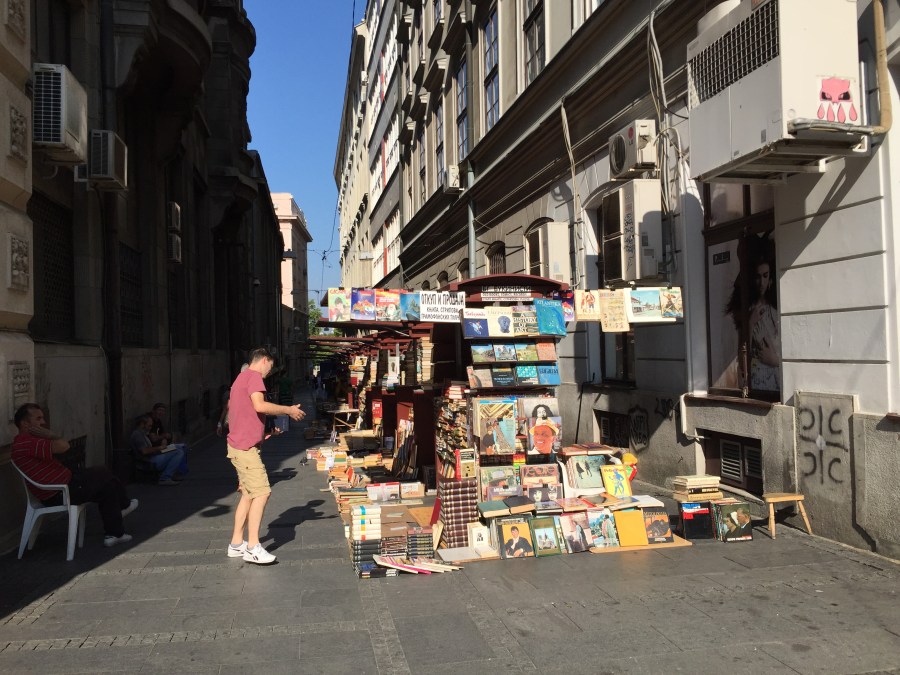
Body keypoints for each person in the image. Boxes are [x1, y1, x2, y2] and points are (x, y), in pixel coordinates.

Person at [12, 403, 138, 547]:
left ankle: (114, 532)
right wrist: (51, 435)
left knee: (107, 485)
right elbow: (64, 446)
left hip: (65, 484)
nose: (43, 422)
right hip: (60, 493)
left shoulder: (26, 442)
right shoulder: (26, 442)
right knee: (104, 474)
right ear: (25, 424)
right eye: (38, 418)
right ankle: (122, 510)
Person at [226, 347, 305, 564]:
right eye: (271, 366)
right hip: (245, 449)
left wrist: (266, 432)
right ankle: (253, 547)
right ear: (264, 360)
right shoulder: (254, 377)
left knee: (248, 494)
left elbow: (243, 413)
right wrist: (288, 410)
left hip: (238, 445)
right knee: (262, 492)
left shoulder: (240, 378)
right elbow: (259, 406)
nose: (270, 371)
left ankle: (236, 543)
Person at [129, 414, 185, 486]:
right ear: (142, 424)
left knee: (179, 447)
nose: (150, 428)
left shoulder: (143, 433)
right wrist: (159, 448)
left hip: (153, 457)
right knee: (178, 452)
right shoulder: (137, 435)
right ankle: (165, 478)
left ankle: (172, 473)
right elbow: (144, 451)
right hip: (149, 461)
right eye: (149, 426)